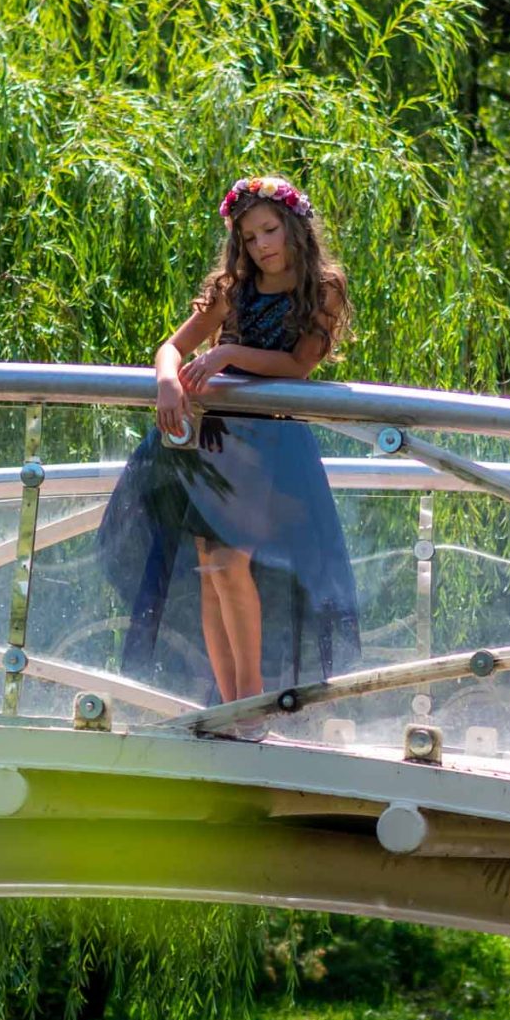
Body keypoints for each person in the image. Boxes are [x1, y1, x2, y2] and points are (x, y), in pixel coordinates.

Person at [98, 175, 361, 727]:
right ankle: (231, 701)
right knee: (212, 565)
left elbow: (298, 366)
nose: (261, 245)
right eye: (248, 237)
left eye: (269, 230)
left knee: (233, 563)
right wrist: (169, 381)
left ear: (294, 227)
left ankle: (251, 700)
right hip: (212, 440)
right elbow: (172, 347)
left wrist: (228, 355)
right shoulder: (230, 289)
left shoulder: (323, 286)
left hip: (269, 443)